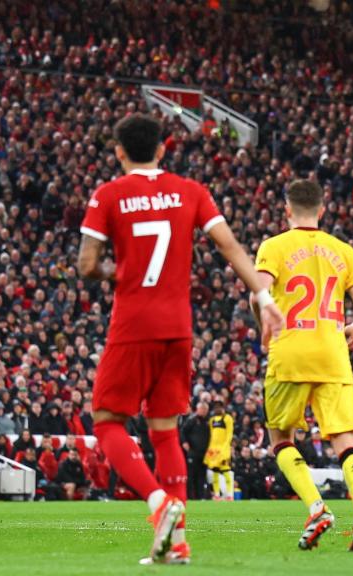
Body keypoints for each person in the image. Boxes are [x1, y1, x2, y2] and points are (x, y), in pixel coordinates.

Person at [77, 113, 283, 565]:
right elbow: (229, 245)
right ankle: (177, 543)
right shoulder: (192, 192)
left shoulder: (109, 195)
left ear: (118, 152)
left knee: (108, 420)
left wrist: (115, 272)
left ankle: (159, 504)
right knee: (165, 430)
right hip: (179, 329)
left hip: (134, 324)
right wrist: (264, 298)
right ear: (163, 149)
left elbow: (87, 263)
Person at [249, 179, 353, 551]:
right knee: (346, 441)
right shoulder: (344, 250)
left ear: (287, 210)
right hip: (333, 354)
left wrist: (264, 330)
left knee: (281, 438)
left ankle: (317, 508)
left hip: (290, 352)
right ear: (322, 210)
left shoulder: (274, 246)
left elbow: (259, 295)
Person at [204, 400, 234, 501]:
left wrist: (225, 449)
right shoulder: (212, 420)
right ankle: (216, 495)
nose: (217, 409)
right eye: (216, 407)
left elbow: (229, 435)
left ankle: (229, 494)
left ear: (223, 408)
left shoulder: (227, 418)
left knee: (226, 472)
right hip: (213, 451)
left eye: (219, 407)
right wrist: (210, 450)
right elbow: (211, 436)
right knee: (215, 474)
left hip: (223, 450)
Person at [180, 401, 210, 500]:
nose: (203, 411)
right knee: (191, 476)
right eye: (202, 409)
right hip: (193, 452)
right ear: (197, 409)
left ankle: (200, 497)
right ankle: (190, 497)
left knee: (201, 476)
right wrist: (184, 442)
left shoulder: (209, 421)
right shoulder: (192, 420)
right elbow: (183, 431)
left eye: (205, 409)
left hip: (205, 454)